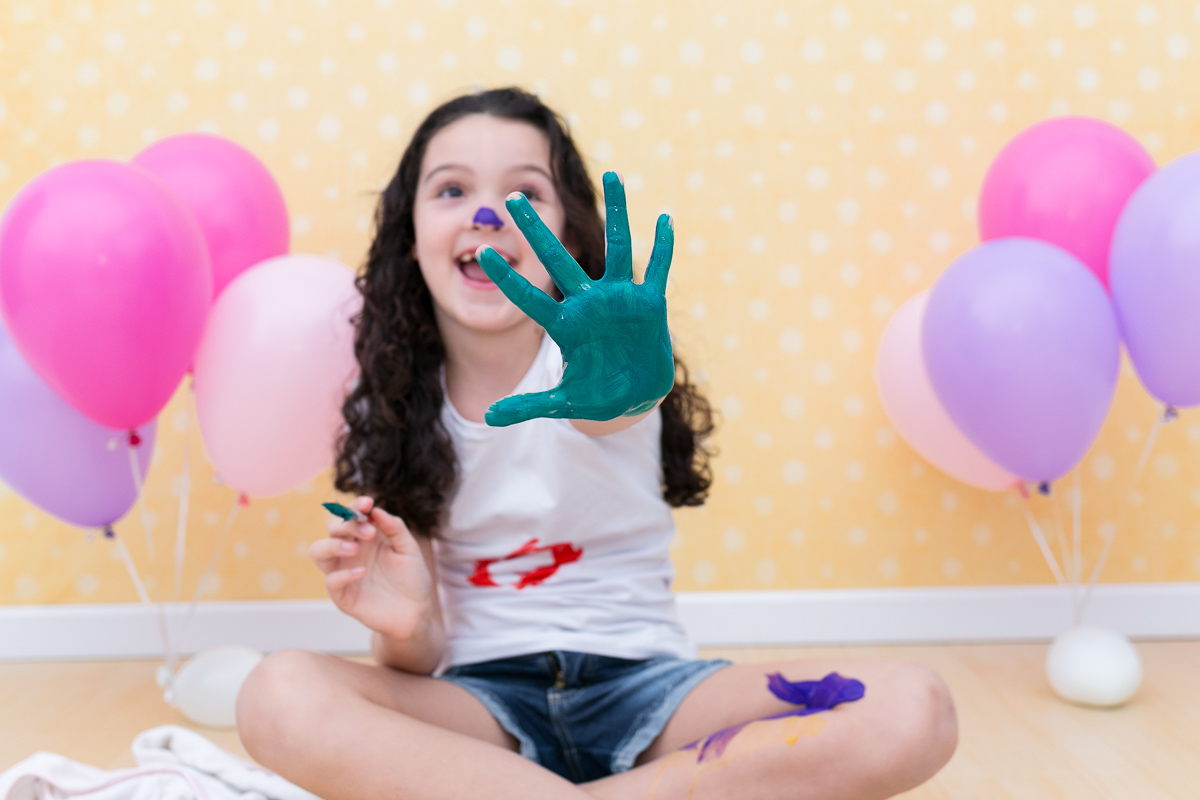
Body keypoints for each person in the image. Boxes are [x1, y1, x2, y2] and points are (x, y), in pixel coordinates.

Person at [236, 87, 958, 800]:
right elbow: (416, 659)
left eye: (525, 195)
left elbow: (611, 407)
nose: (488, 216)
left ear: (569, 238)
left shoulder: (599, 368)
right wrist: (407, 623)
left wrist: (627, 378)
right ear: (410, 234)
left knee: (909, 709)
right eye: (451, 190)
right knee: (277, 693)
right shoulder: (403, 402)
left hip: (653, 695)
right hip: (482, 710)